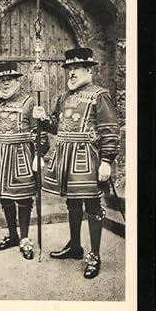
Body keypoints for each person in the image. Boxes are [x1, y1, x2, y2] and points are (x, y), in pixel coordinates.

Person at [33, 48, 119, 278]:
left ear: (88, 70)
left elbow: (109, 129)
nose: (71, 73)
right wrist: (43, 119)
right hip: (66, 158)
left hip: (87, 157)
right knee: (72, 203)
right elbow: (55, 127)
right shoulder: (64, 97)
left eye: (76, 69)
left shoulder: (100, 95)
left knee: (91, 205)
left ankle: (95, 255)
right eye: (69, 69)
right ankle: (75, 246)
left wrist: (107, 160)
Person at [0, 61, 49, 260]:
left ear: (17, 81)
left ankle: (24, 238)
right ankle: (13, 235)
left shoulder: (29, 101)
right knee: (5, 197)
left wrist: (39, 154)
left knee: (23, 198)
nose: (5, 84)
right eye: (2, 80)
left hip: (21, 155)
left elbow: (38, 131)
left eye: (9, 80)